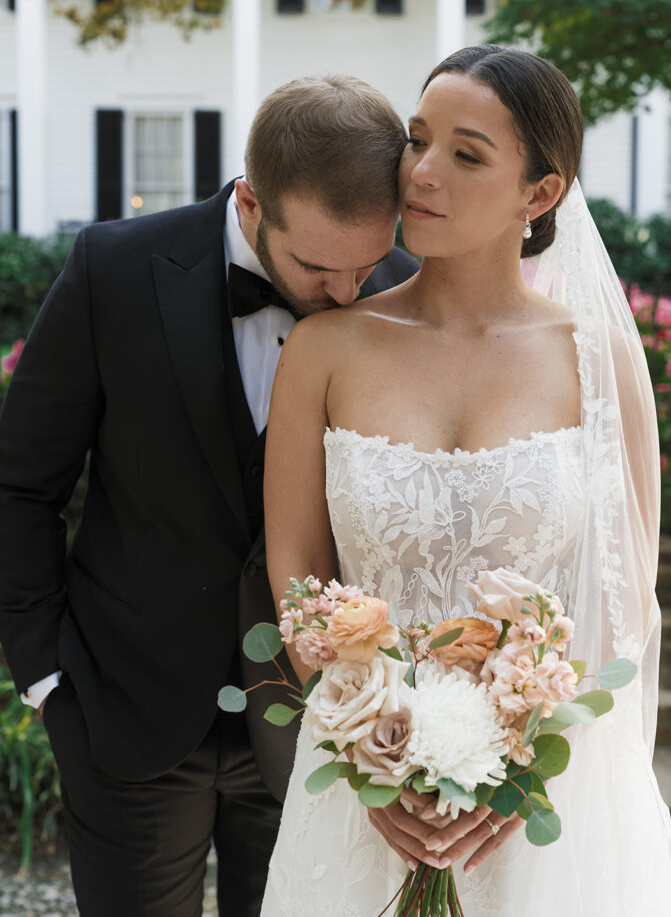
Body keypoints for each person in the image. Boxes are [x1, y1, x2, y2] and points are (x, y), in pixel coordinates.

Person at [260, 46, 671, 915]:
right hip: (363, 789)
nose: (420, 171)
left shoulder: (593, 357)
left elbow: (626, 601)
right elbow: (298, 575)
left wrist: (517, 773)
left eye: (466, 153)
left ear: (539, 195)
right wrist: (369, 760)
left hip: (545, 805)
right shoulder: (324, 350)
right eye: (417, 140)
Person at [0, 75, 420, 917]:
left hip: (320, 728)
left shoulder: (406, 297)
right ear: (254, 200)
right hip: (125, 712)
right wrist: (45, 676)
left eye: (366, 265)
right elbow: (18, 485)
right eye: (316, 267)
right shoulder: (111, 270)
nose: (347, 295)